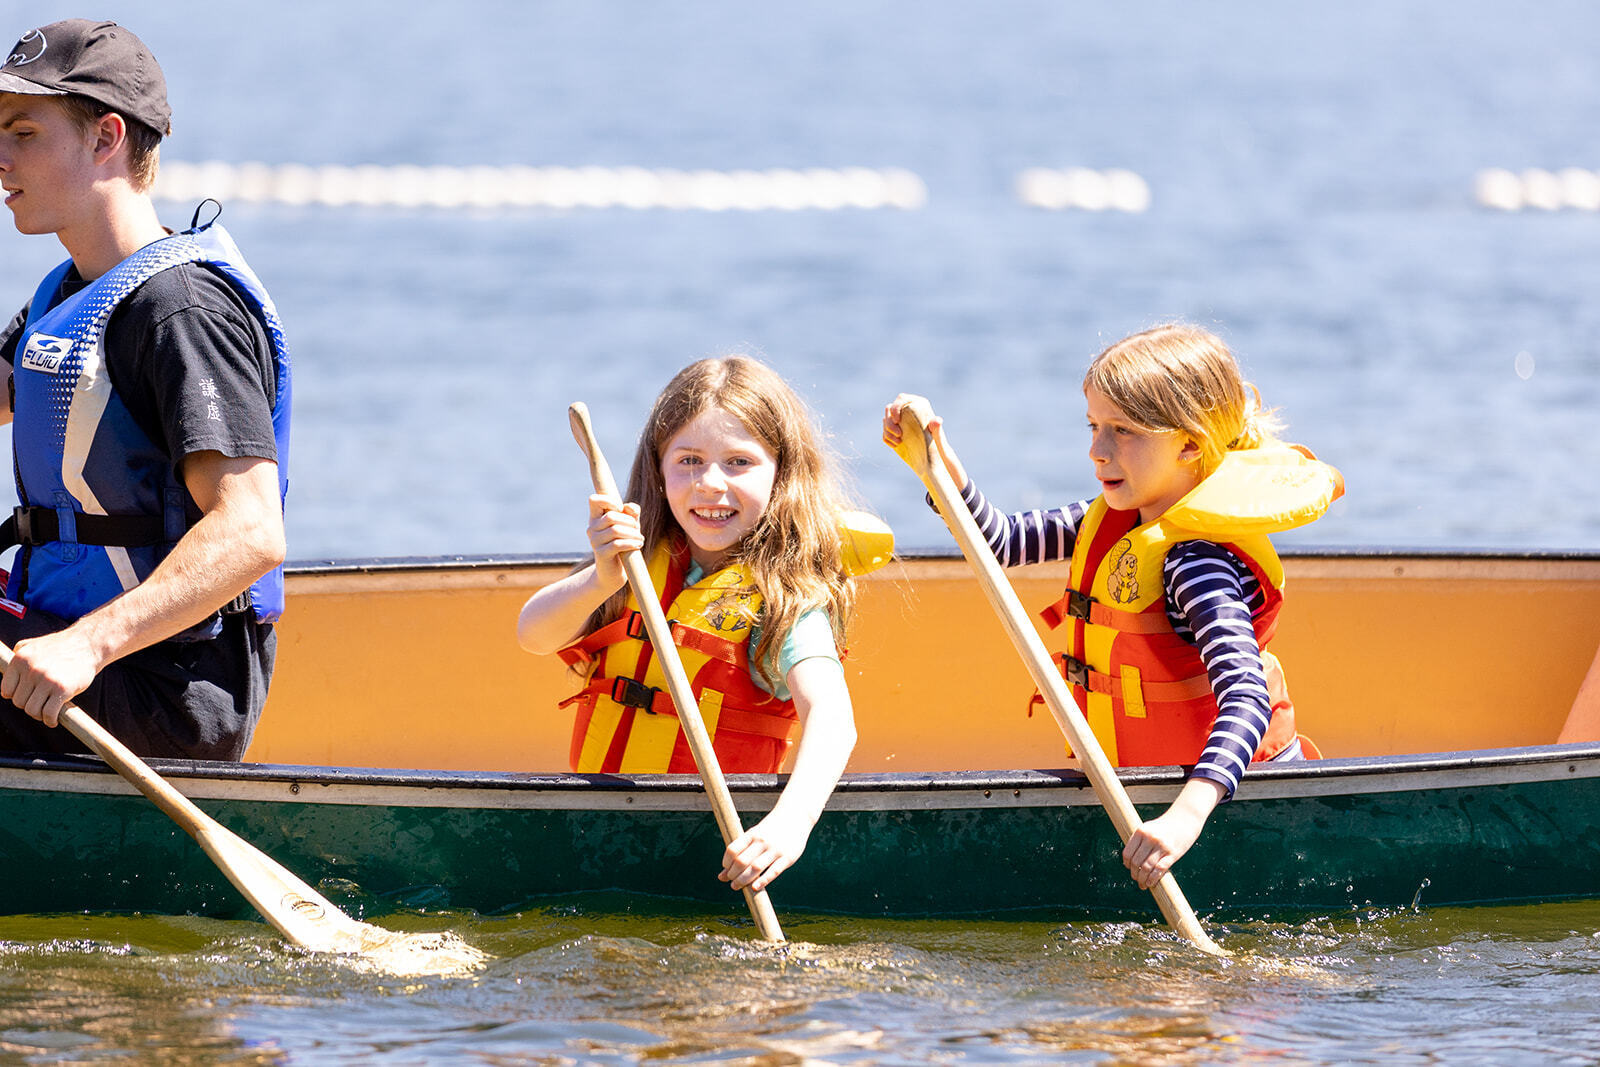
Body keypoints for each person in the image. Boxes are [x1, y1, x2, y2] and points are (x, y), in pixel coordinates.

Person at [883, 323, 1341, 891]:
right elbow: (997, 542)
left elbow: (1246, 698)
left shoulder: (1196, 565)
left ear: (1191, 443)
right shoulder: (1111, 518)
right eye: (1094, 426)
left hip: (1226, 803)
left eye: (1122, 431)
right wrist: (936, 463)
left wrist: (1186, 815)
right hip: (1150, 796)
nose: (1097, 451)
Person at [0, 19, 291, 760]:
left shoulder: (180, 309)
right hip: (66, 638)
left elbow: (252, 531)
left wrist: (86, 646)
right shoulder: (67, 293)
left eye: (23, 131)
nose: (0, 159)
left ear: (106, 137)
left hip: (164, 686)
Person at [518, 356, 888, 894]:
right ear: (658, 470)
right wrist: (600, 579)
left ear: (782, 474)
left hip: (714, 854)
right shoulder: (633, 563)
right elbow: (533, 635)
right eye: (688, 460)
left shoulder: (784, 599)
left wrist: (789, 825)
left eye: (739, 462)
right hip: (605, 833)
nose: (710, 484)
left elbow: (832, 719)